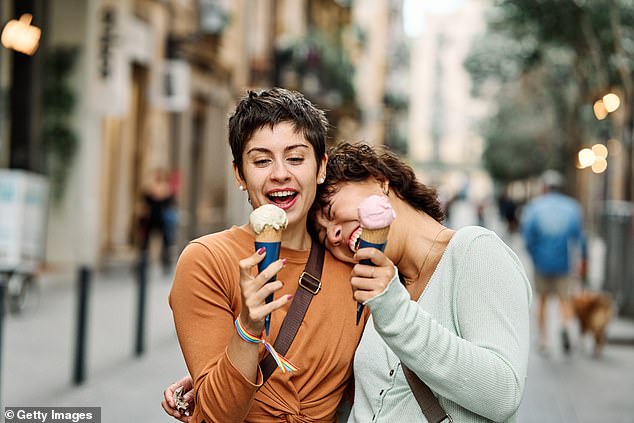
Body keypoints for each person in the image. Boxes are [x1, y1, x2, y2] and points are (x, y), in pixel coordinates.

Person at [164, 142, 532, 422]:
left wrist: (392, 306)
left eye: (330, 212)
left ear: (378, 181)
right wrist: (223, 374)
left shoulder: (473, 251)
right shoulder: (383, 287)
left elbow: (502, 393)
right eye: (324, 235)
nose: (335, 234)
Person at [167, 88, 365, 423]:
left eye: (296, 158)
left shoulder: (351, 264)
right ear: (239, 175)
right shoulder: (206, 261)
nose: (280, 174)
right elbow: (217, 415)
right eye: (261, 161)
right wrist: (247, 328)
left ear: (321, 167)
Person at [520, 169, 587, 355]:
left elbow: (527, 238)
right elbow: (580, 238)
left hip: (541, 262)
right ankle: (564, 326)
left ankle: (543, 339)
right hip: (563, 263)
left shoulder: (534, 207)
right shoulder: (572, 207)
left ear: (545, 187)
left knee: (541, 300)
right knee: (564, 299)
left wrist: (534, 255)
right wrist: (582, 260)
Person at [138, 168, 177, 270]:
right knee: (146, 242)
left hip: (162, 219)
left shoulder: (167, 190)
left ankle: (165, 263)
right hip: (151, 219)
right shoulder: (150, 190)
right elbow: (144, 201)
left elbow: (170, 202)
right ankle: (143, 263)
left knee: (166, 242)